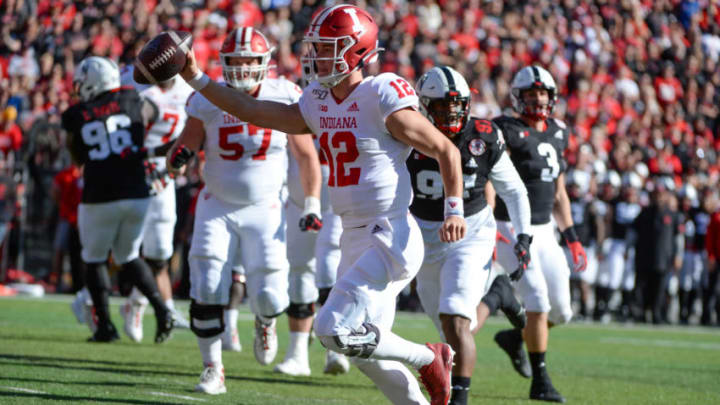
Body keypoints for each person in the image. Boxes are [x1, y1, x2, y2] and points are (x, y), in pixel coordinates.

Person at [175, 5, 466, 404]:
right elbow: (252, 109)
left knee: (330, 330)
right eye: (317, 48)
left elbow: (446, 150)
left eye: (329, 48)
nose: (318, 57)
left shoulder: (380, 94)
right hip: (353, 235)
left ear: (357, 50)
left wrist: (454, 210)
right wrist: (196, 77)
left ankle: (429, 356)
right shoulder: (317, 100)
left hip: (390, 232)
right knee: (365, 355)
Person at [165, 26, 322, 395]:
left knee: (271, 296)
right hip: (216, 204)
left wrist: (312, 202)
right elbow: (185, 146)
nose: (242, 67)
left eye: (249, 60)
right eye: (235, 60)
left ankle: (265, 320)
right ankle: (212, 368)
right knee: (206, 283)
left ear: (264, 62)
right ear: (224, 62)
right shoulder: (207, 99)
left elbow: (306, 157)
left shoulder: (283, 94)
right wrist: (177, 159)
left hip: (266, 206)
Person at [408, 66, 532, 405]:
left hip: (471, 232)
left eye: (456, 105)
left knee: (455, 319)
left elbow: (515, 191)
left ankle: (459, 400)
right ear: (422, 105)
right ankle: (497, 296)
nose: (450, 113)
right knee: (448, 332)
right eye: (441, 106)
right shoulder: (404, 132)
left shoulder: (483, 135)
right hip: (423, 235)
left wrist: (524, 237)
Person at [62, 56, 175, 343]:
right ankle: (163, 310)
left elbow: (77, 156)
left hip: (100, 194)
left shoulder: (77, 113)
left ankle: (105, 327)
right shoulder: (135, 99)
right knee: (128, 256)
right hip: (138, 192)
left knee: (95, 259)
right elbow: (150, 118)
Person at [491, 65, 587, 403]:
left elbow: (559, 192)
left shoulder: (559, 131)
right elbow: (490, 181)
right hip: (511, 226)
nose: (537, 100)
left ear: (552, 96)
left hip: (547, 230)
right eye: (530, 95)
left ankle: (516, 338)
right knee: (538, 302)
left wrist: (572, 236)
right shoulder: (505, 129)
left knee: (561, 311)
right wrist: (488, 228)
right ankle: (541, 382)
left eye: (542, 94)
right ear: (518, 98)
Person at [118, 67, 195, 341]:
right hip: (138, 174)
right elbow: (129, 143)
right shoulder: (145, 96)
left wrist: (183, 159)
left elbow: (195, 132)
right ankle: (89, 299)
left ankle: (138, 303)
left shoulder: (188, 92)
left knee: (161, 252)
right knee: (127, 246)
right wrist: (159, 154)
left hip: (165, 179)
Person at [276, 129, 347, 376]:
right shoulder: (297, 105)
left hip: (338, 203)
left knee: (330, 270)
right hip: (299, 200)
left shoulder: (351, 103)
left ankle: (335, 348)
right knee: (299, 271)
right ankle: (297, 355)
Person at [594, 178, 641, 322]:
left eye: (632, 188)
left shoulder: (640, 208)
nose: (629, 191)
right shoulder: (615, 204)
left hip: (631, 246)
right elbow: (607, 223)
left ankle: (625, 309)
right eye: (627, 188)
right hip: (616, 243)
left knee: (628, 280)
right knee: (613, 277)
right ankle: (604, 308)